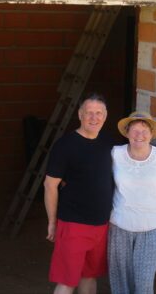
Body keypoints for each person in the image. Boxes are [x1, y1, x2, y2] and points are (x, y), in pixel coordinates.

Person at [44, 93, 114, 294]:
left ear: (105, 115)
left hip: (101, 225)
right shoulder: (65, 145)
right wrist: (52, 222)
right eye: (89, 113)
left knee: (89, 277)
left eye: (98, 113)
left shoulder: (109, 143)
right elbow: (50, 185)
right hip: (73, 224)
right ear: (80, 114)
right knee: (67, 281)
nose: (94, 118)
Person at [108, 111, 156, 294]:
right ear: (127, 133)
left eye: (144, 130)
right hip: (119, 227)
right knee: (120, 283)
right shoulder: (115, 154)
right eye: (135, 130)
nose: (139, 135)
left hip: (152, 229)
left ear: (151, 133)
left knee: (144, 284)